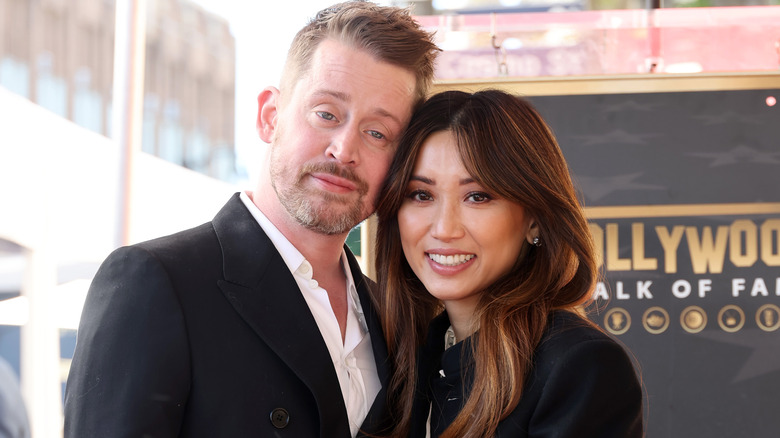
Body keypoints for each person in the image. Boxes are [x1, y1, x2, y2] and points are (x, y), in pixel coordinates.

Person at [64, 2, 439, 437]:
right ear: (269, 116)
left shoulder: (398, 318)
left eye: (378, 133)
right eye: (326, 114)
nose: (344, 149)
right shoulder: (154, 284)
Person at [374, 89, 644, 437]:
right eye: (421, 195)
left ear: (533, 218)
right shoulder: (403, 357)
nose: (444, 229)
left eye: (478, 196)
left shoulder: (577, 366)